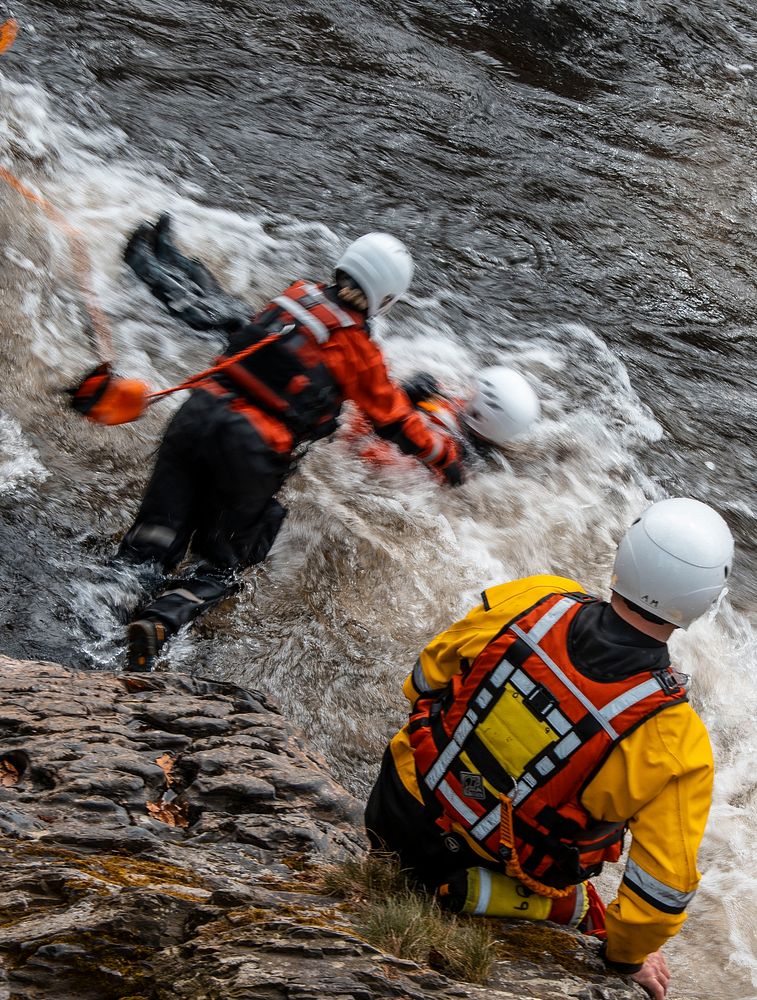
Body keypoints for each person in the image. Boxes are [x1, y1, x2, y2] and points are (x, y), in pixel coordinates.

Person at [365, 497, 733, 1000]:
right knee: (601, 918)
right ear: (706, 601)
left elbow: (424, 679)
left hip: (394, 806)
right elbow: (659, 895)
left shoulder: (537, 596)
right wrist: (626, 959)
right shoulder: (675, 739)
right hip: (472, 873)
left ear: (624, 554)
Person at [112, 216, 463, 671]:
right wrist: (449, 462)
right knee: (223, 562)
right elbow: (394, 420)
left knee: (151, 542)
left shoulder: (295, 297)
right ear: (386, 296)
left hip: (195, 416)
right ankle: (159, 620)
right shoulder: (358, 349)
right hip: (250, 449)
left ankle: (103, 604)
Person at [346, 366, 541, 469]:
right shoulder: (467, 426)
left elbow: (357, 450)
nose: (463, 395)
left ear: (479, 415)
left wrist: (401, 396)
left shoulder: (443, 452)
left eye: (471, 394)